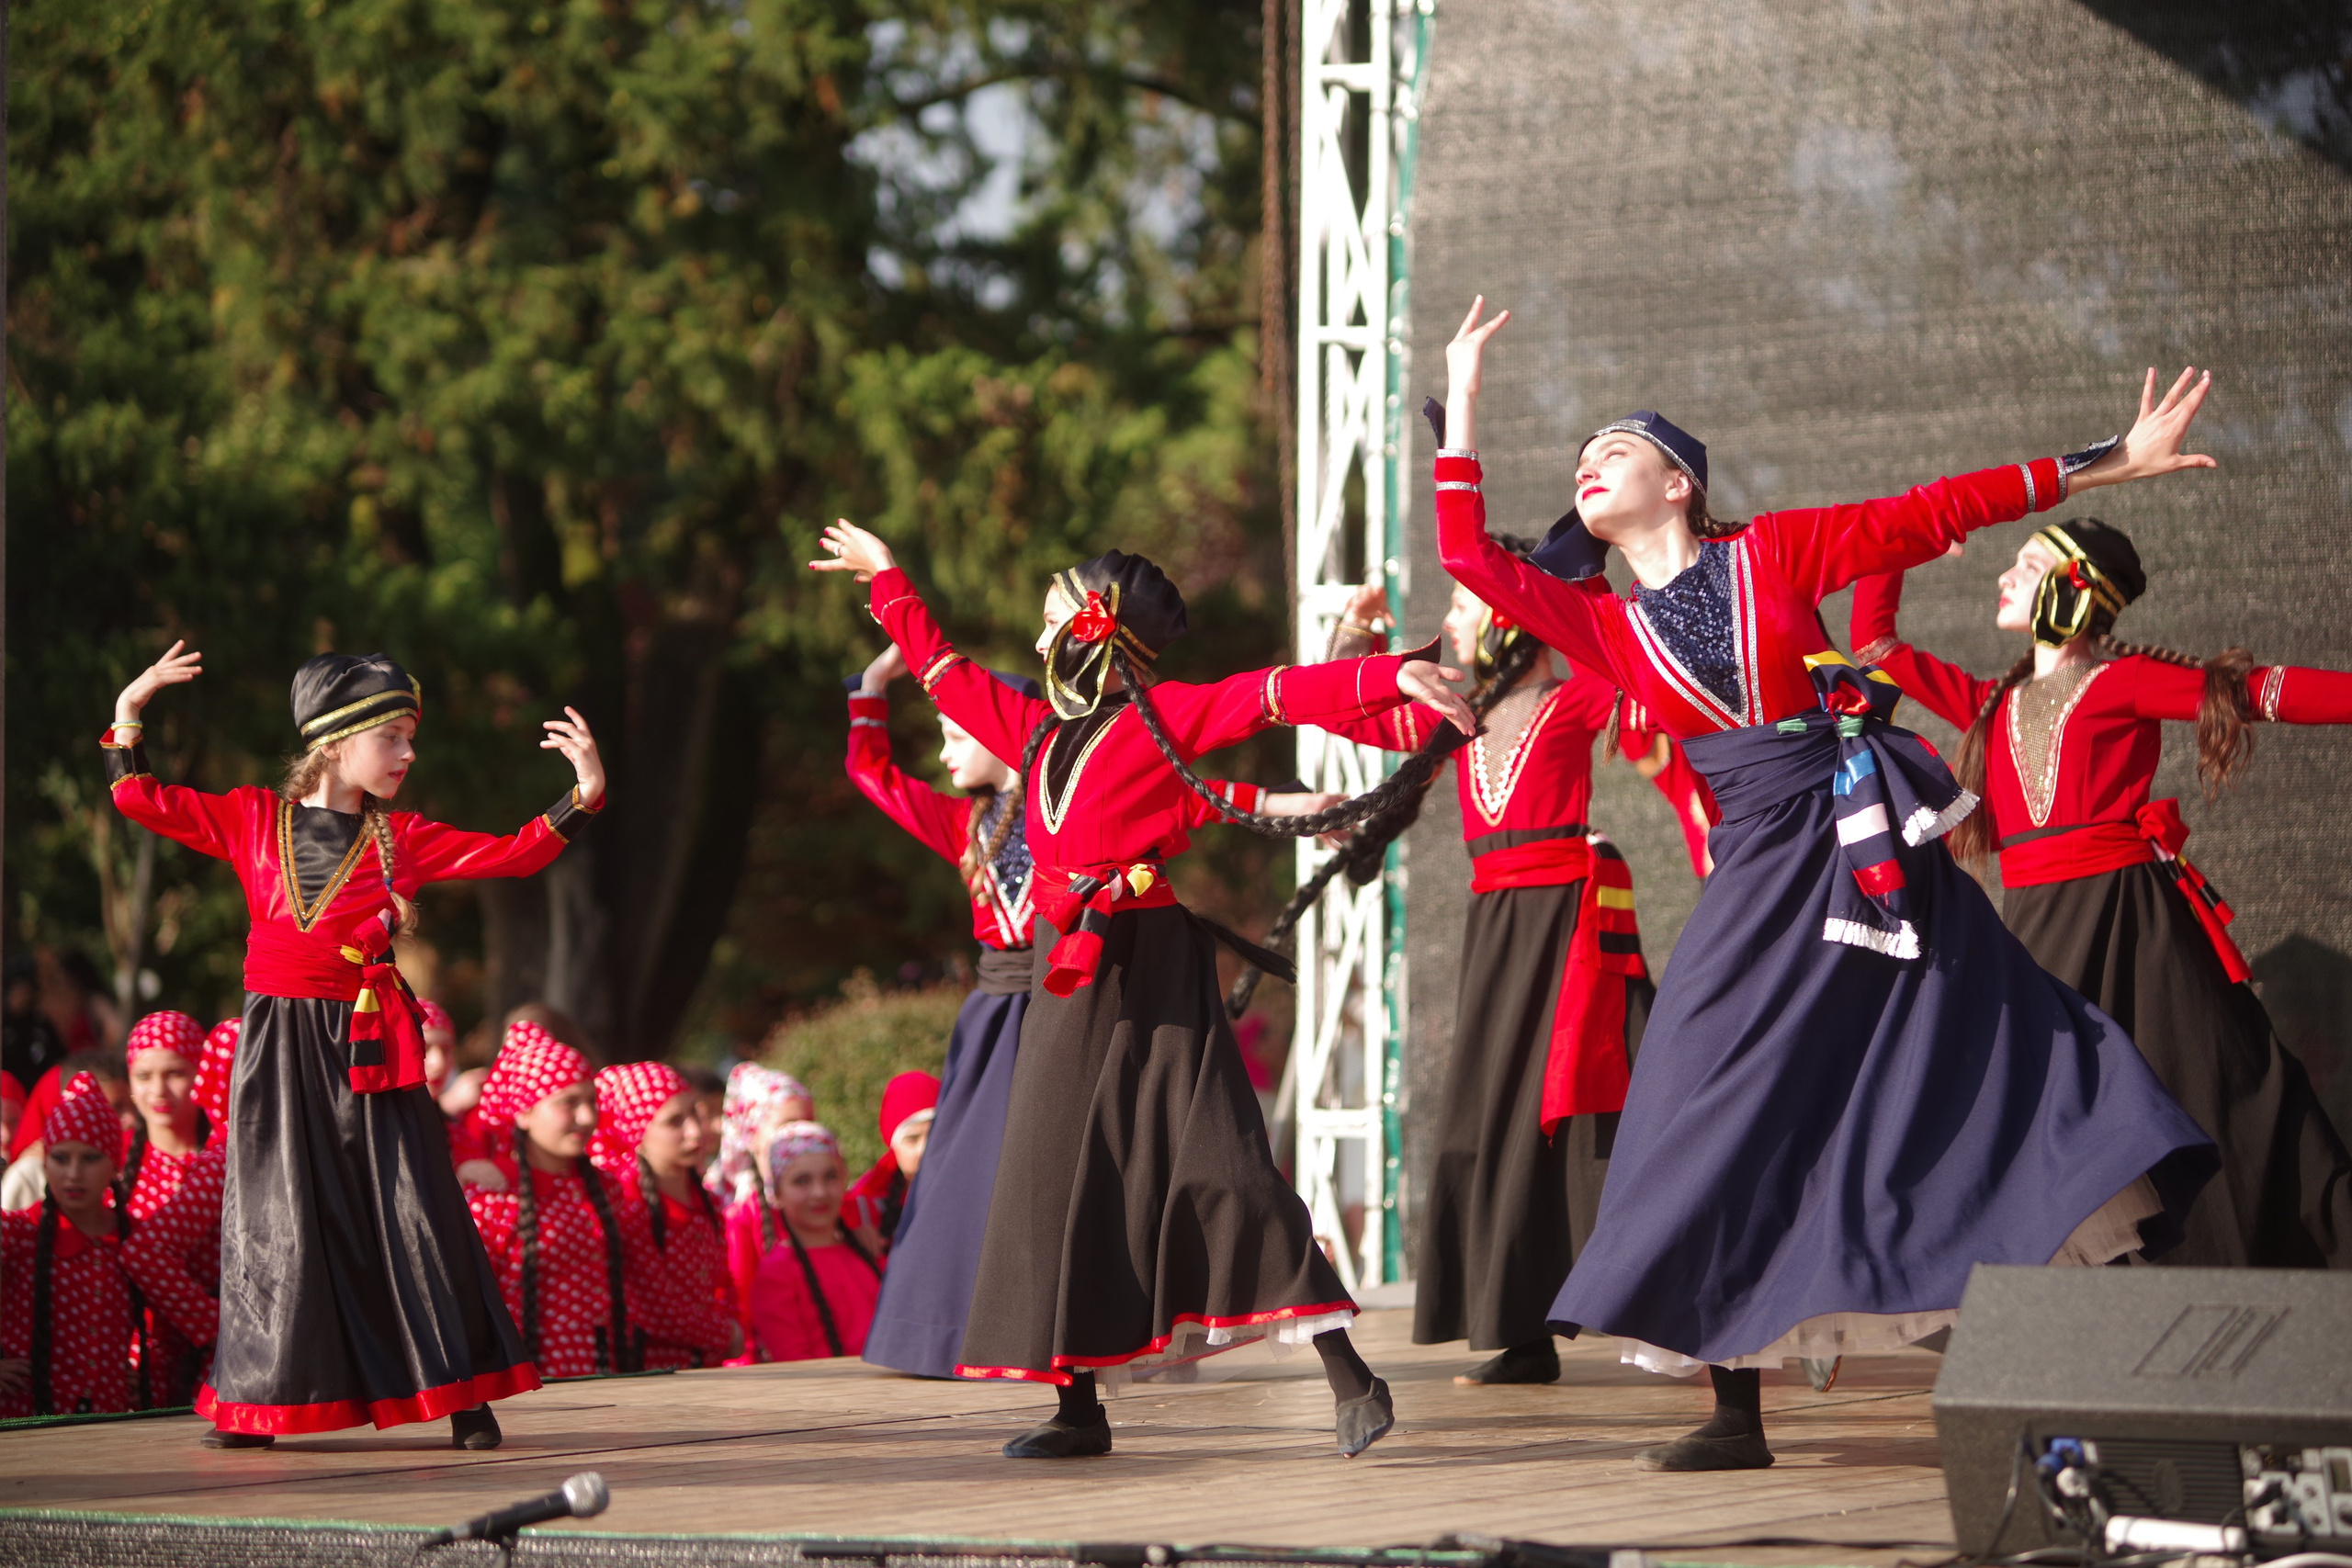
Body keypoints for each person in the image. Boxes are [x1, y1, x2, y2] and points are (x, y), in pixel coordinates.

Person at [1432, 298, 2220, 1471]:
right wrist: (1462, 396)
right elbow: (1466, 557)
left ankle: (2078, 1371)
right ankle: (1733, 1413)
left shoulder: (1779, 553)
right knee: (1697, 1098)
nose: (1590, 463)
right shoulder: (1603, 624)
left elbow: (1941, 505)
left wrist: (2109, 461)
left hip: (1868, 849)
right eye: (1583, 456)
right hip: (1758, 871)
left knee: (1968, 1067)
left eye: (1618, 447)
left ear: (1681, 483)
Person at [814, 522, 1478, 1461]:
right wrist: (887, 578)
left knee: (1222, 1168)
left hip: (1151, 961)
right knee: (1047, 1177)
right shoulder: (1031, 731)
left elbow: (1273, 695)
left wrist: (1382, 676)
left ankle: (1348, 1372)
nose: (1039, 640)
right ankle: (1077, 1407)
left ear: (1096, 630)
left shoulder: (1166, 718)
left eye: (1053, 620)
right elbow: (942, 666)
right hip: (1063, 970)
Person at [106, 642, 605, 1449]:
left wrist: (583, 794)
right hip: (278, 1043)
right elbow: (138, 796)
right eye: (394, 737)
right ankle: (261, 1399)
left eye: (412, 736)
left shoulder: (399, 837)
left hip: (370, 1043)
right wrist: (131, 708)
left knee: (411, 1206)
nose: (409, 753)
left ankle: (463, 1391)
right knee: (276, 1215)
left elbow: (515, 854)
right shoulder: (248, 817)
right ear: (336, 740)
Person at [1851, 525, 2352, 1267]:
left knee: (2220, 1085)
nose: (2005, 575)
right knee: (2031, 1113)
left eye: (2027, 564)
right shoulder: (1990, 705)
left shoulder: (2122, 680)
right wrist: (1899, 543)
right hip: (2032, 933)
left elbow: (2254, 694)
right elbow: (1875, 647)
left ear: (2074, 588)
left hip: (2132, 921)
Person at [1318, 577, 1712, 1385]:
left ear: (1506, 619)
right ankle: (1521, 1332)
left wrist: (1563, 593)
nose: (1451, 619)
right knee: (1500, 1111)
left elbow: (1633, 673)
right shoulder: (1455, 720)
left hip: (1571, 922)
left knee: (1616, 1102)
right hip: (1496, 924)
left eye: (1464, 604)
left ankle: (1699, 1292)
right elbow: (1343, 710)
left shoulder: (1573, 702)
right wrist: (1353, 641)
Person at [465, 1024, 707, 1380]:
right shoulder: (493, 1196)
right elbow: (470, 1307)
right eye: (568, 1103)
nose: (586, 1117)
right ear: (524, 1112)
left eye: (591, 1102)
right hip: (526, 1381)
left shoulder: (605, 1188)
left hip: (604, 1372)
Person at [0, 1073, 218, 1417]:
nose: (73, 1173)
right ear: (45, 1162)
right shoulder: (18, 1231)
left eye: (89, 1158)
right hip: (25, 1421)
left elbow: (166, 1333)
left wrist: (146, 1377)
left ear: (115, 1163)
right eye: (60, 1158)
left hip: (110, 1424)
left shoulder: (137, 1241)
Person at [592, 1060, 740, 1369]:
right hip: (652, 1379)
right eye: (674, 1122)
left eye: (694, 1114)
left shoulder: (705, 1199)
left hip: (706, 1367)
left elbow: (722, 1283)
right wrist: (726, 1335)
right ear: (633, 1128)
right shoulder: (629, 1204)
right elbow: (655, 1310)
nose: (694, 1131)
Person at [121, 1011, 228, 1405]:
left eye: (175, 1073)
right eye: (144, 1076)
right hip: (135, 1361)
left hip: (214, 1362)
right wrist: (212, 1322)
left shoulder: (221, 1158)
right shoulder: (107, 1160)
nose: (158, 1089)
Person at [725, 1122, 885, 1362]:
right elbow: (796, 1364)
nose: (819, 1192)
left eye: (830, 1176)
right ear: (776, 1193)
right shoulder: (776, 1274)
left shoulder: (869, 1251)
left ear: (844, 1179)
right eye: (802, 1181)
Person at [843, 1070, 940, 1248]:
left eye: (935, 1134)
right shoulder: (862, 1208)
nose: (924, 1149)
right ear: (893, 1146)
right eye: (912, 1139)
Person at [707, 1062, 815, 1212]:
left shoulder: (825, 1189)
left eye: (808, 1122)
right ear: (751, 1133)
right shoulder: (719, 1204)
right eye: (787, 1125)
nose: (801, 1132)